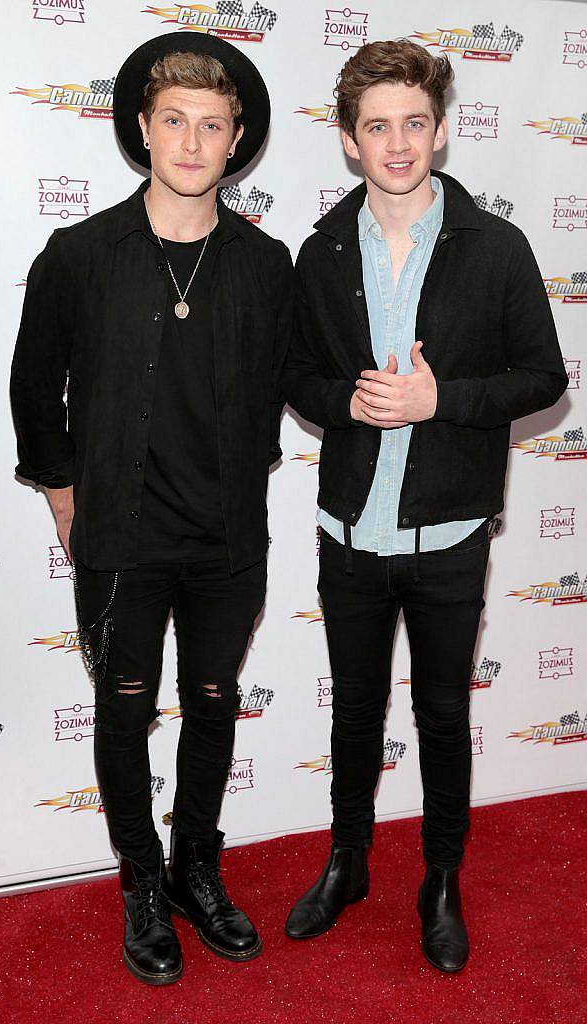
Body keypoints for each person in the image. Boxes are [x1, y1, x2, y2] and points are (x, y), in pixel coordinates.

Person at [11, 32, 292, 985]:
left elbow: (299, 385)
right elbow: (30, 387)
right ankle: (139, 879)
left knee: (213, 705)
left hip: (226, 541)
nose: (191, 140)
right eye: (174, 120)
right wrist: (63, 499)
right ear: (143, 127)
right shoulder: (80, 254)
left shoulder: (266, 264)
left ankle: (193, 869)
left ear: (236, 138)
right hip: (121, 541)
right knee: (124, 713)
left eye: (212, 125)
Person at [282, 39, 567, 973]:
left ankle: (440, 879)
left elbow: (543, 377)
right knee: (354, 711)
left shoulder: (498, 246)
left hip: (447, 534)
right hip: (349, 531)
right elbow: (295, 374)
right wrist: (343, 401)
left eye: (413, 122)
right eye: (377, 126)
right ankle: (349, 861)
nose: (397, 142)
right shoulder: (320, 250)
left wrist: (443, 400)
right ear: (349, 140)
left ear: (440, 131)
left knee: (443, 715)